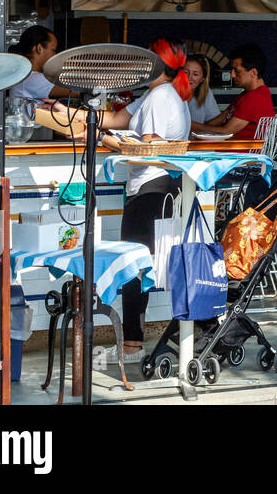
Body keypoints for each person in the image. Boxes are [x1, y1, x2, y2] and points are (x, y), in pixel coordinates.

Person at [84, 39, 193, 364]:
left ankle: (132, 346)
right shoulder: (158, 94)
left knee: (134, 269)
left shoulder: (161, 97)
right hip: (153, 190)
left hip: (151, 190)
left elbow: (149, 148)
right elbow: (116, 120)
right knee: (138, 269)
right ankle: (134, 342)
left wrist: (102, 140)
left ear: (155, 66)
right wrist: (70, 115)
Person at [190, 44, 274, 139]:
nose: (232, 75)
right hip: (224, 149)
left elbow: (226, 132)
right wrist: (195, 129)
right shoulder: (245, 95)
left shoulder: (255, 97)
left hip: (238, 153)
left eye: (237, 71)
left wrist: (190, 126)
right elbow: (218, 120)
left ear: (253, 73)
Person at [7, 26, 70, 103]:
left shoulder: (25, 75)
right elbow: (76, 91)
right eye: (53, 50)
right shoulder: (31, 78)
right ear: (39, 48)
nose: (55, 55)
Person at [183, 53, 222, 126]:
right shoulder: (169, 93)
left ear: (202, 78)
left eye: (195, 74)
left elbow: (215, 122)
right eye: (185, 72)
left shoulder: (206, 93)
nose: (189, 78)